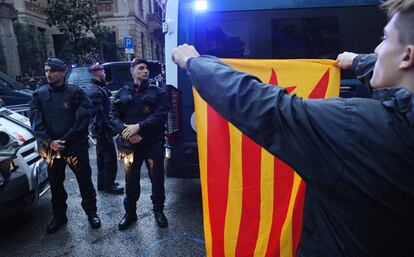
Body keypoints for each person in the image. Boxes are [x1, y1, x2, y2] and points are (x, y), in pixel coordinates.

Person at [170, 0, 414, 255]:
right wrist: (358, 62)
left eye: (385, 39)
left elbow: (265, 106)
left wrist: (194, 63)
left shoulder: (355, 128)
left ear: (407, 56)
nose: (377, 48)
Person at [30, 58, 101, 234]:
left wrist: (66, 140)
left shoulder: (75, 92)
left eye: (52, 71)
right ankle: (59, 216)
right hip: (52, 149)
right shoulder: (39, 94)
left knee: (85, 182)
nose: (48, 74)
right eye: (46, 70)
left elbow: (83, 119)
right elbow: (36, 124)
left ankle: (92, 213)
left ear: (62, 72)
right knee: (55, 184)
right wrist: (50, 142)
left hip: (75, 147)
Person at [110, 58, 168, 230]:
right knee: (131, 180)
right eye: (141, 68)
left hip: (152, 144)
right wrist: (127, 132)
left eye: (147, 68)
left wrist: (139, 127)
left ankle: (159, 211)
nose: (145, 71)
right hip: (131, 145)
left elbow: (161, 115)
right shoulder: (122, 93)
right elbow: (113, 117)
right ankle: (130, 213)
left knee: (157, 179)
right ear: (132, 71)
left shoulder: (157, 92)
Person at [83, 64, 124, 195]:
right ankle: (109, 184)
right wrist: (109, 129)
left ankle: (103, 183)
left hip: (100, 129)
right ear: (97, 73)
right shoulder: (95, 90)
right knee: (109, 157)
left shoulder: (97, 88)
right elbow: (99, 115)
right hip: (102, 129)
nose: (105, 75)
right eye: (103, 72)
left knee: (102, 156)